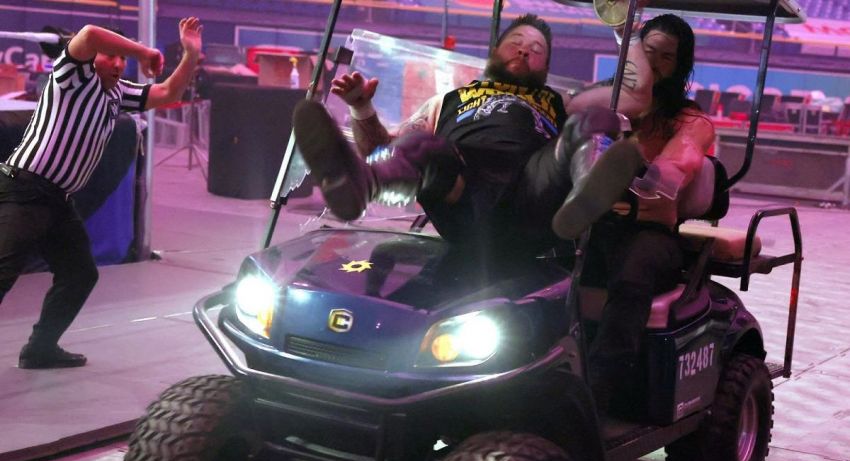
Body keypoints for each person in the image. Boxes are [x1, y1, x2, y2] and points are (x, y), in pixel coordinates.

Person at [292, 13, 653, 259]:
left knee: (596, 121)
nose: (525, 49)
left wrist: (626, 30)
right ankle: (358, 185)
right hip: (463, 199)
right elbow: (383, 151)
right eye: (516, 42)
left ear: (545, 67)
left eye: (537, 49)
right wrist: (361, 109)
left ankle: (587, 194)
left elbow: (636, 96)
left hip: (532, 200)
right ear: (496, 51)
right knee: (419, 146)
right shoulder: (446, 101)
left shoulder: (562, 102)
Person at [0, 18, 204, 369]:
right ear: (92, 57)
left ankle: (40, 348)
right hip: (25, 188)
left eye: (121, 59)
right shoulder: (71, 75)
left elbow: (168, 93)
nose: (117, 64)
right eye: (110, 56)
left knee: (80, 273)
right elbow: (91, 34)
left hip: (58, 201)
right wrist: (145, 51)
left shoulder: (117, 93)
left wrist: (190, 54)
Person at [582, 14, 716, 414]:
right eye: (647, 52)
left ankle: (600, 392)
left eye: (666, 57)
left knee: (632, 269)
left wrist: (626, 149)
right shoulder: (605, 103)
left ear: (680, 67)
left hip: (650, 233)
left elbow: (669, 177)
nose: (653, 64)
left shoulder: (692, 122)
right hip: (595, 223)